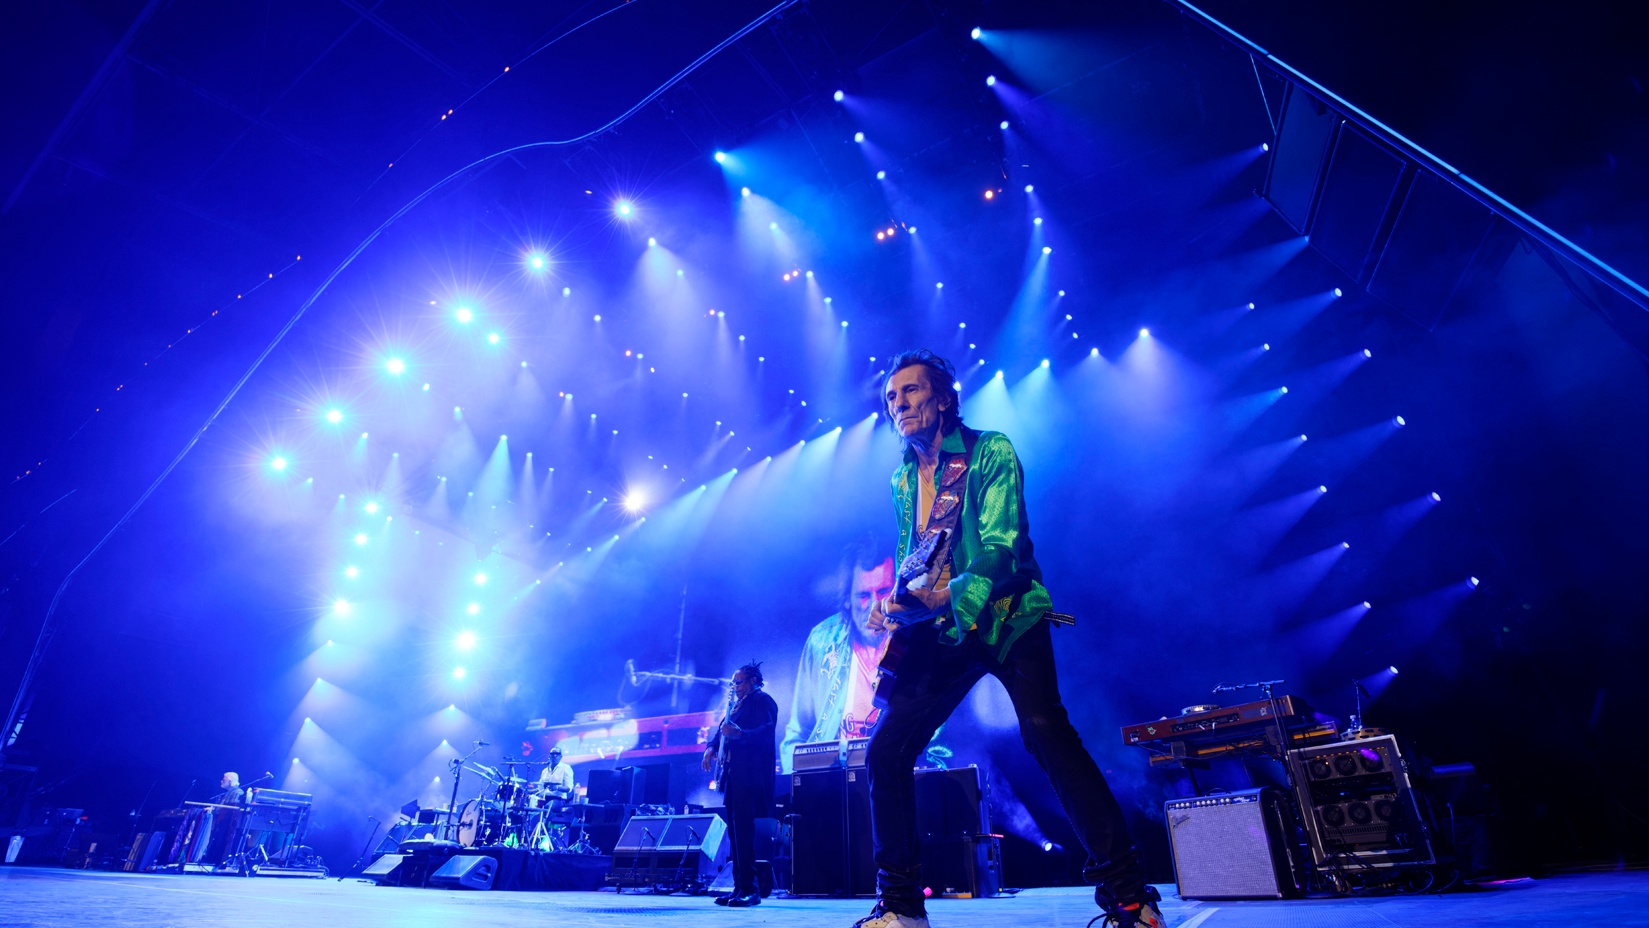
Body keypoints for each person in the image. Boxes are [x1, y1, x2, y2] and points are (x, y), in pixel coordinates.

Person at [854, 350, 1165, 928]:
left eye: (913, 391)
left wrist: (945, 596)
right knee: (885, 751)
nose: (900, 404)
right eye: (892, 397)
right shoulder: (901, 478)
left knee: (1047, 733)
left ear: (944, 397)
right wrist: (896, 604)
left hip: (1007, 614)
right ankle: (900, 908)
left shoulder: (989, 450)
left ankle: (1129, 895)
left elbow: (1000, 546)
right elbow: (915, 560)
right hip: (944, 630)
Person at [780, 541, 896, 771]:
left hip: (896, 780)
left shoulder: (915, 642)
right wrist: (797, 784)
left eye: (883, 591)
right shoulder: (822, 642)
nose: (874, 605)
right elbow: (798, 732)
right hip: (832, 785)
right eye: (863, 595)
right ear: (847, 599)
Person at [701, 662, 778, 908]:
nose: (735, 686)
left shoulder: (762, 701)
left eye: (739, 681)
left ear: (753, 681)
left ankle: (750, 890)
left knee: (743, 831)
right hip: (733, 775)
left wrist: (741, 734)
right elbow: (721, 730)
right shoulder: (735, 705)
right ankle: (738, 888)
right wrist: (711, 747)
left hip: (750, 775)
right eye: (734, 682)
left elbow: (766, 732)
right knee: (735, 832)